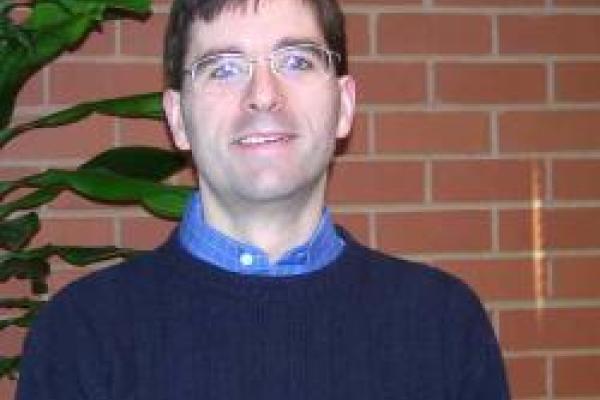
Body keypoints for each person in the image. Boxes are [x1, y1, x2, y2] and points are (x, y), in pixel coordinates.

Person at [16, 0, 511, 398]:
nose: (263, 94)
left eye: (296, 60)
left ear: (345, 107)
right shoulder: (82, 335)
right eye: (224, 68)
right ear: (178, 119)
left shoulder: (442, 325)